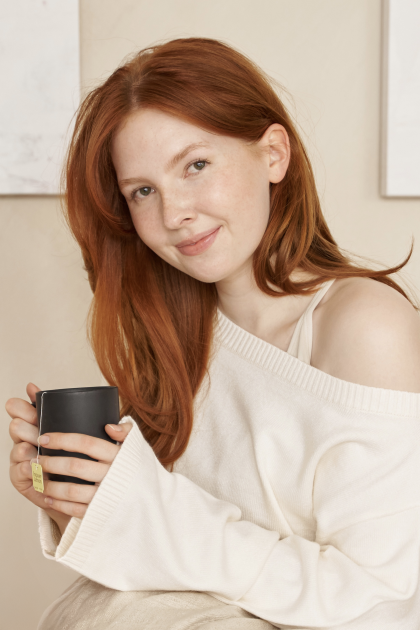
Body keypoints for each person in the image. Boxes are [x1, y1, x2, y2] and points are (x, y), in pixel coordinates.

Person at [6, 37, 420, 629]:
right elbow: (171, 562)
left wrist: (147, 507)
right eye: (143, 191)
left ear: (273, 154)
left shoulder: (367, 328)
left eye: (196, 165)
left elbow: (383, 605)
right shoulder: (178, 334)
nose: (174, 213)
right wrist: (80, 502)